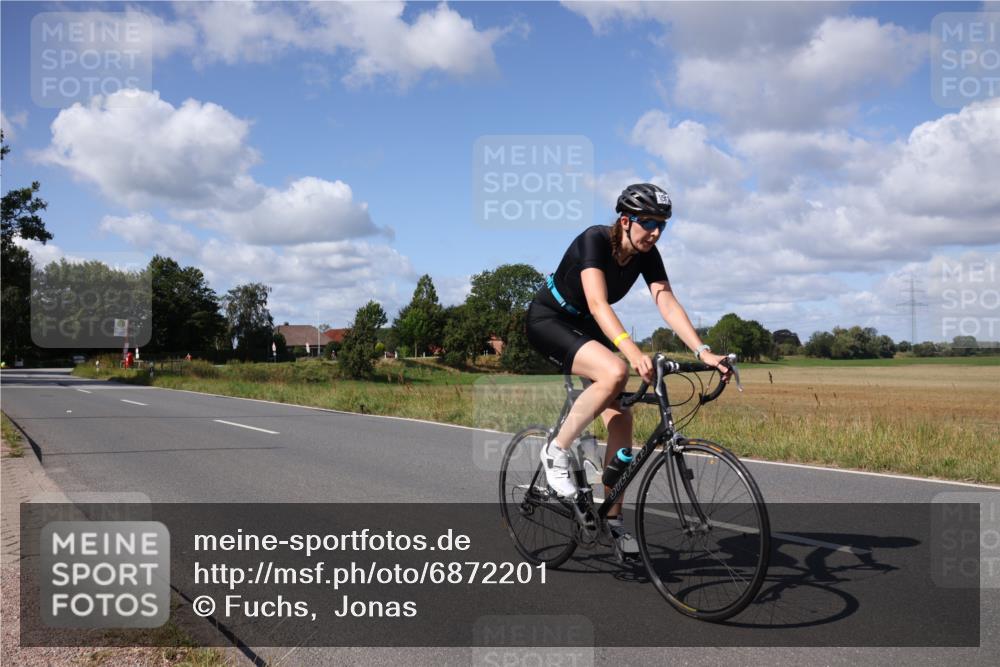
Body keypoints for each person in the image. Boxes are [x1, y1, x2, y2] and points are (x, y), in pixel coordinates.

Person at [524, 183, 732, 557]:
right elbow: (597, 303)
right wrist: (633, 352)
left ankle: (613, 522)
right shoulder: (594, 241)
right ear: (626, 220)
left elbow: (666, 301)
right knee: (616, 372)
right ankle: (555, 451)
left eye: (662, 225)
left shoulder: (647, 253)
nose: (655, 232)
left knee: (623, 418)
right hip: (550, 320)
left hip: (586, 328)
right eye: (649, 222)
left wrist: (702, 351)